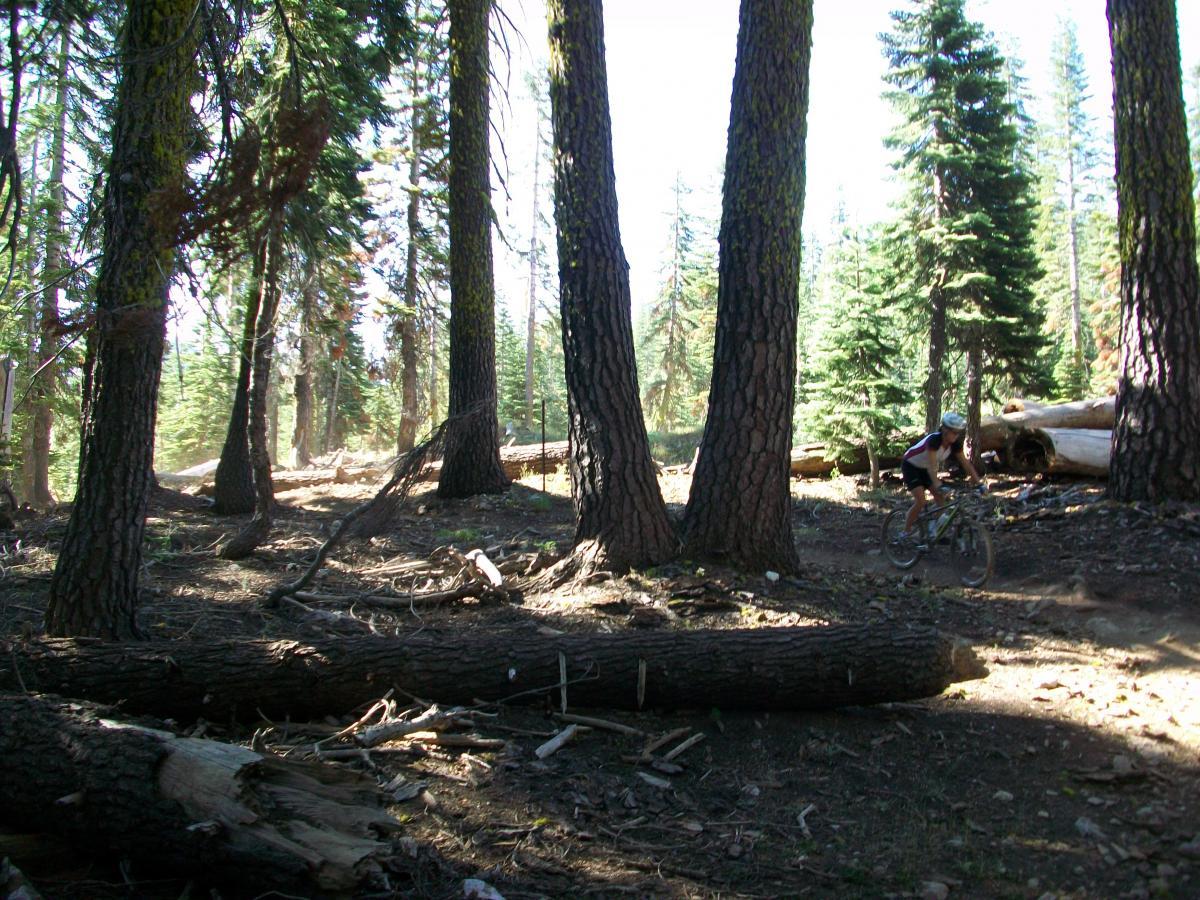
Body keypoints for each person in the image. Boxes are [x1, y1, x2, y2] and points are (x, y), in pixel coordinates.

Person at [900, 411, 984, 544]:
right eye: (954, 432)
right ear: (945, 430)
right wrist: (938, 485)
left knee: (941, 500)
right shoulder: (934, 440)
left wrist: (979, 484)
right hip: (911, 465)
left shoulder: (954, 444)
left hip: (925, 469)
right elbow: (933, 467)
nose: (956, 435)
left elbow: (966, 464)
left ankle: (935, 532)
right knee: (921, 500)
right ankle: (905, 532)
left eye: (958, 432)